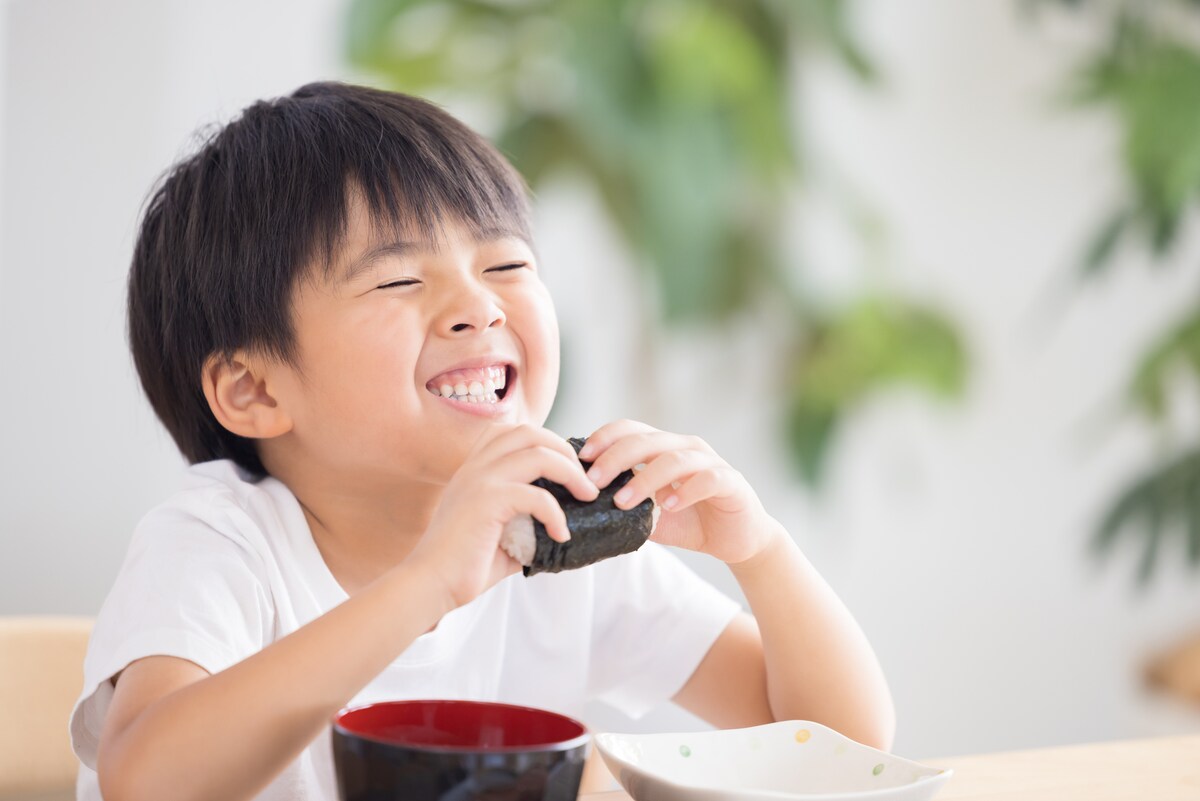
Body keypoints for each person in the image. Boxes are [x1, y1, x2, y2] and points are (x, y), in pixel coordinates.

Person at [69, 81, 895, 801]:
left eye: (506, 267)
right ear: (254, 389)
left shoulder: (558, 539)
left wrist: (762, 551)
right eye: (398, 279)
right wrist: (430, 580)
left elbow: (843, 746)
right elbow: (149, 780)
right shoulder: (221, 542)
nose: (481, 307)